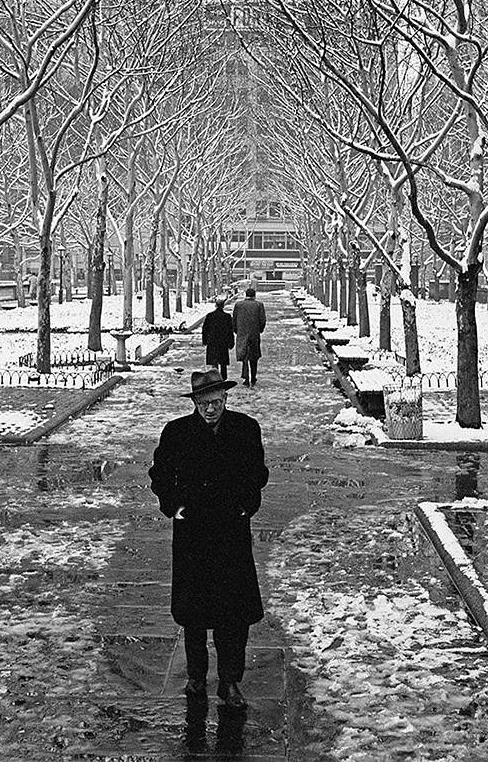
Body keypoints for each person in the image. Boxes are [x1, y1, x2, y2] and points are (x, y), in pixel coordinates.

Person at [149, 369, 270, 709]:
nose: (210, 409)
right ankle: (196, 677)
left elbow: (257, 473)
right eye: (204, 403)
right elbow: (160, 474)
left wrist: (248, 504)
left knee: (234, 613)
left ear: (226, 399)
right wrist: (174, 506)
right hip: (194, 531)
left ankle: (230, 682)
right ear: (195, 403)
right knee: (194, 612)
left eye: (216, 402)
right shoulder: (176, 433)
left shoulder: (245, 430)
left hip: (231, 530)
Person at [232, 287, 267, 387]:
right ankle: (253, 377)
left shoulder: (238, 305)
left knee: (245, 356)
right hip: (254, 334)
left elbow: (234, 319)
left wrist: (237, 331)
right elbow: (262, 320)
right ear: (254, 295)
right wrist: (260, 330)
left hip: (242, 334)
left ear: (245, 295)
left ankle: (246, 377)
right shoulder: (259, 305)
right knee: (254, 357)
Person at [202, 297, 235, 380]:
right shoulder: (227, 317)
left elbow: (205, 329)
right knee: (223, 362)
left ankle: (215, 378)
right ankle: (223, 378)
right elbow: (230, 331)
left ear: (215, 305)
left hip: (212, 342)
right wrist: (231, 343)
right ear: (223, 306)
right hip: (223, 343)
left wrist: (205, 340)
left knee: (214, 361)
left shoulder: (210, 316)